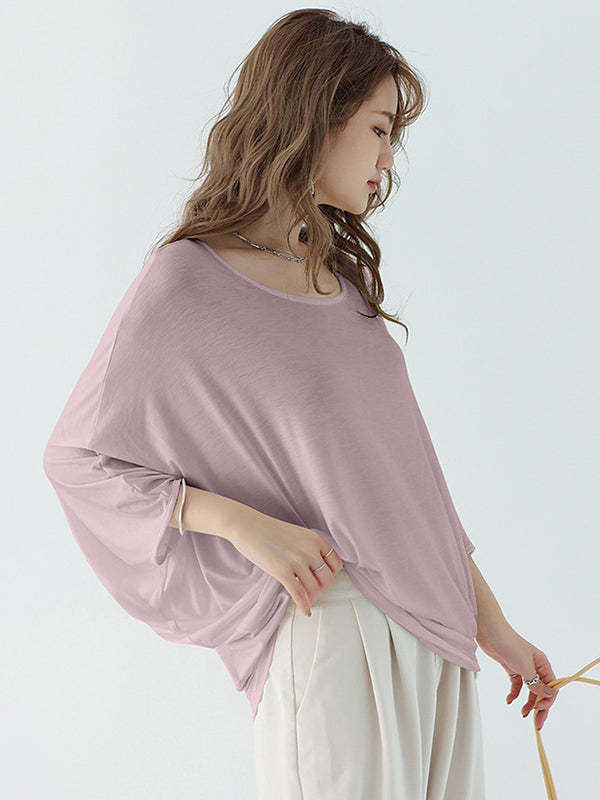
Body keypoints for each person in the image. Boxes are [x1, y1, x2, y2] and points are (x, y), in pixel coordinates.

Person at [43, 8, 559, 799]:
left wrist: (498, 632)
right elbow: (79, 459)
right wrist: (241, 524)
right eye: (379, 129)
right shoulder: (186, 282)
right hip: (336, 626)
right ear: (316, 115)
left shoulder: (342, 286)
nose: (388, 158)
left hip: (439, 640)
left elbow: (410, 490)